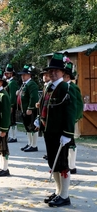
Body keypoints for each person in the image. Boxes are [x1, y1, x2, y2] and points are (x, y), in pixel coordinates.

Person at [39, 53, 76, 207]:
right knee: (52, 163)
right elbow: (44, 106)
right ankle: (58, 191)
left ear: (63, 73)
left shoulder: (66, 87)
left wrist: (67, 134)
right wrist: (38, 118)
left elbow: (70, 112)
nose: (53, 73)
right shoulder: (49, 87)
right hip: (49, 131)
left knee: (62, 164)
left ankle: (65, 195)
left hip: (61, 134)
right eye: (51, 71)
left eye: (57, 70)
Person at [63, 62, 83, 174]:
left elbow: (78, 104)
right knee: (67, 141)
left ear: (67, 76)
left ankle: (72, 165)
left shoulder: (73, 87)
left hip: (72, 118)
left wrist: (75, 118)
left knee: (71, 141)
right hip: (66, 118)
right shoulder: (65, 86)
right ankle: (67, 163)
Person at [17, 65, 39, 152]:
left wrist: (30, 108)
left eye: (24, 75)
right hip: (24, 109)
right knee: (27, 127)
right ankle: (30, 143)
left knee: (32, 127)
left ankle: (34, 145)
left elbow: (33, 97)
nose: (22, 76)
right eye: (22, 75)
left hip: (30, 110)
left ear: (29, 75)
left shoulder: (32, 84)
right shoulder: (24, 84)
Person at [36, 69, 51, 160]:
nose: (44, 77)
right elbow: (43, 98)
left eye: (46, 75)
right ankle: (48, 153)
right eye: (43, 75)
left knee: (49, 137)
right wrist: (39, 103)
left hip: (48, 116)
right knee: (46, 136)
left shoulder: (50, 86)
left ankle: (50, 153)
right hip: (43, 115)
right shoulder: (45, 86)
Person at [4, 64, 19, 143]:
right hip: (8, 105)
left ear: (12, 74)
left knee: (12, 121)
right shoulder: (9, 82)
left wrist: (11, 105)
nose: (6, 75)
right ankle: (11, 136)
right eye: (6, 73)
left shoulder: (12, 83)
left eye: (8, 73)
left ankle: (14, 137)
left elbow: (12, 95)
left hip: (11, 105)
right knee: (10, 120)